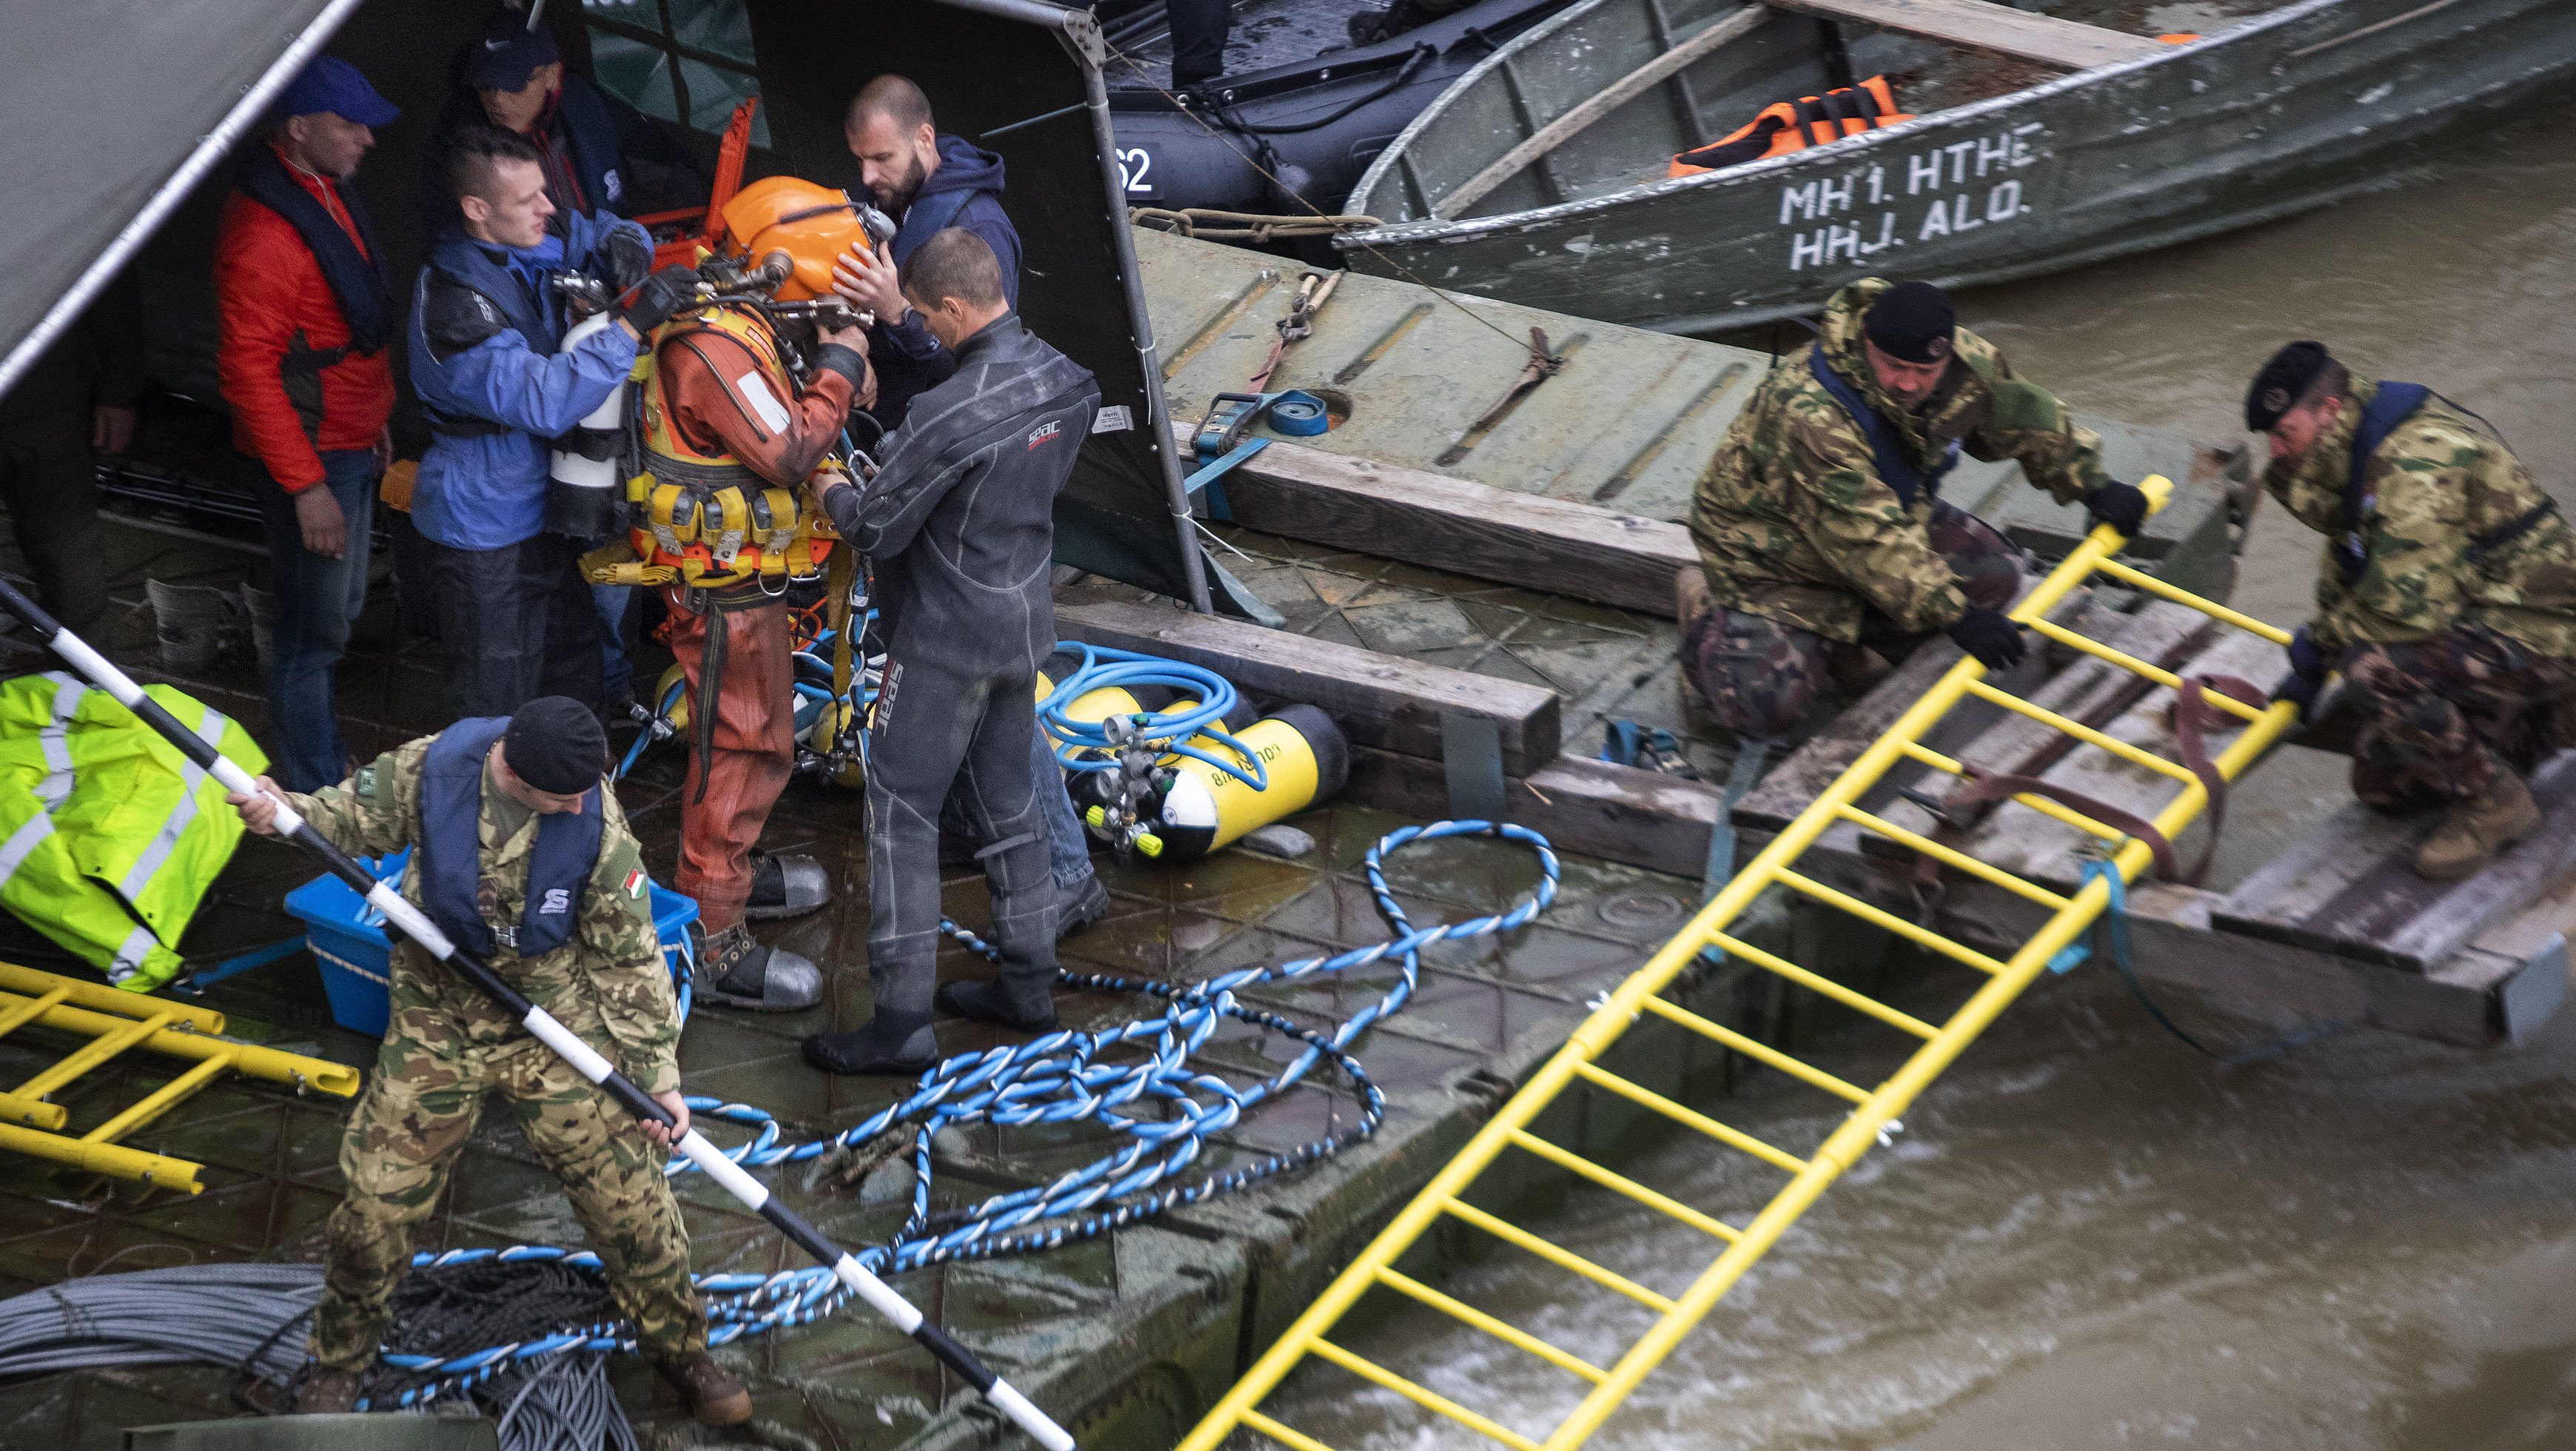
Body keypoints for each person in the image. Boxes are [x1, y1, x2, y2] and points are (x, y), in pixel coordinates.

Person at [224, 697, 748, 1425]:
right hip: (441, 1013)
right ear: (516, 774)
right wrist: (287, 809)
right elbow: (347, 817)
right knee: (372, 1208)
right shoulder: (433, 768)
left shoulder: (596, 823)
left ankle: (679, 1347)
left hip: (553, 1017)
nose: (581, 803)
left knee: (632, 1200)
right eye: (563, 796)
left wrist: (658, 1075)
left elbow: (629, 954)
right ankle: (340, 1360)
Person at [802, 229, 1101, 1076]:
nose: (924, 330)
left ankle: (899, 1022)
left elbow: (875, 527)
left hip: (940, 648)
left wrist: (827, 479)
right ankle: (1029, 986)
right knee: (1011, 813)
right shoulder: (1066, 379)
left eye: (929, 318)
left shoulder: (943, 416)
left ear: (958, 308)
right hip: (1021, 626)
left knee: (901, 817)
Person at [836, 75, 1110, 938]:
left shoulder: (972, 228)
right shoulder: (907, 206)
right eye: (860, 161)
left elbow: (985, 369)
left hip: (956, 500)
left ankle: (1065, 872)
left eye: (881, 158)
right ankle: (974, 827)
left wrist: (894, 320)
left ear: (924, 141)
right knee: (932, 671)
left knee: (993, 703)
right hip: (929, 468)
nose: (870, 176)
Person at [1682, 277, 2146, 742]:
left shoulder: (1962, 363)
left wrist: (2093, 485)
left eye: (1925, 372)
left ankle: (1850, 638)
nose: (1909, 384)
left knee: (1997, 578)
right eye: (1893, 366)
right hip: (1773, 554)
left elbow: (2023, 416)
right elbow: (1864, 539)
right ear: (1866, 344)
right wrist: (1954, 614)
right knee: (1762, 711)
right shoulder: (1808, 413)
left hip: (1884, 514)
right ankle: (1702, 605)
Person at [625, 183, 878, 1012]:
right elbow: (786, 447)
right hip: (723, 588)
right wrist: (841, 361)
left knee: (760, 739)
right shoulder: (712, 346)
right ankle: (713, 926)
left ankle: (731, 871)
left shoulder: (745, 319)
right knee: (740, 744)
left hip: (746, 578)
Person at [2250, 342, 2576, 881]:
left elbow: (2401, 613)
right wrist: (2309, 669)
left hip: (2545, 630)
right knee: (2380, 781)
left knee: (2374, 670)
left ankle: (2496, 805)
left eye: (2285, 434)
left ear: (2329, 412)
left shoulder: (2419, 464)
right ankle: (2536, 727)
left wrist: (2322, 644)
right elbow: (2351, 563)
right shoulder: (2359, 457)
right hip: (2485, 619)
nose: (2277, 450)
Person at [407, 124, 685, 718]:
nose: (548, 207)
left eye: (544, 190)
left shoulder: (534, 234)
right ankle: (485, 802)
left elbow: (595, 228)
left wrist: (628, 242)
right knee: (497, 696)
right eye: (528, 199)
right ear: (477, 209)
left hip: (550, 512)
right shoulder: (455, 306)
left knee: (574, 671)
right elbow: (545, 400)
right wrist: (634, 325)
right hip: (484, 528)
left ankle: (574, 797)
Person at [213, 58, 400, 791]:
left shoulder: (323, 191)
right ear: (299, 129)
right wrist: (307, 487)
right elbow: (247, 374)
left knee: (341, 607)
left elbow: (345, 327)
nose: (368, 138)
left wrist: (377, 416)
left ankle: (314, 755)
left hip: (350, 440)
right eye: (349, 124)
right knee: (313, 632)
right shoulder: (265, 237)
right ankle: (314, 788)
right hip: (313, 458)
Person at [0, 274, 141, 640]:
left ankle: (84, 688)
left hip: (49, 407)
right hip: (49, 405)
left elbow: (110, 277)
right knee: (70, 572)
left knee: (71, 575)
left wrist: (119, 391)